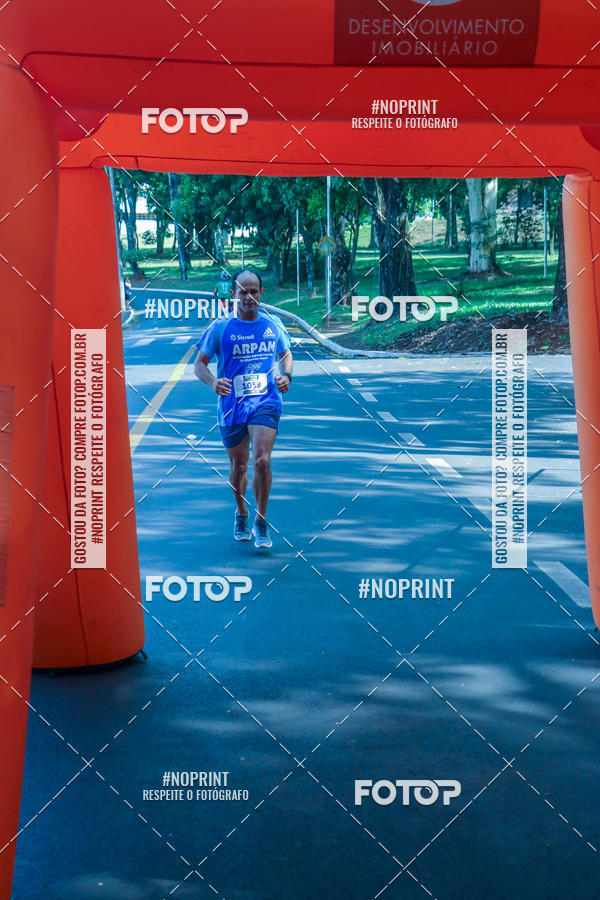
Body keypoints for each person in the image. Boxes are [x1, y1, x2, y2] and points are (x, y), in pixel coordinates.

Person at [194, 268, 293, 548]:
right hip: (231, 405)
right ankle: (241, 511)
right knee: (239, 466)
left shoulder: (273, 325)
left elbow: (286, 354)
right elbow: (199, 364)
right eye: (242, 292)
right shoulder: (220, 328)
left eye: (253, 291)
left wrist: (286, 376)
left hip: (266, 401)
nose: (248, 296)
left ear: (262, 293)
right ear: (234, 295)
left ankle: (261, 520)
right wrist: (213, 382)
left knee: (262, 460)